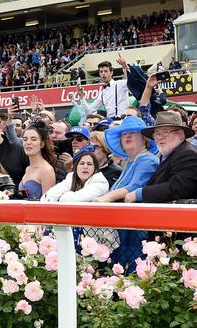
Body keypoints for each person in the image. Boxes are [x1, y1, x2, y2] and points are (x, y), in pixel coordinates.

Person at [95, 115, 159, 273]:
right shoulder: (131, 161)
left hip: (135, 229)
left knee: (131, 273)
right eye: (124, 134)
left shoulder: (148, 160)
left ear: (144, 139)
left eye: (133, 132)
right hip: (122, 228)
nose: (128, 136)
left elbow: (135, 186)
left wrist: (106, 198)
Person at [125, 111, 197, 203]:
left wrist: (139, 194)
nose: (160, 137)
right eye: (157, 134)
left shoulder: (187, 154)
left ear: (181, 135)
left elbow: (179, 187)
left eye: (166, 132)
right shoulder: (167, 155)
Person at [42, 152, 109, 202]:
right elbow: (47, 197)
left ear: (95, 168)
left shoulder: (100, 182)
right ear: (76, 167)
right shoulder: (70, 178)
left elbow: (75, 199)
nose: (85, 167)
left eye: (89, 164)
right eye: (82, 163)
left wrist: (61, 197)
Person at [19, 121, 57, 200]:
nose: (28, 143)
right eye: (25, 139)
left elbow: (47, 204)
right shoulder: (28, 168)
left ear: (42, 144)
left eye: (33, 139)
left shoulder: (46, 170)